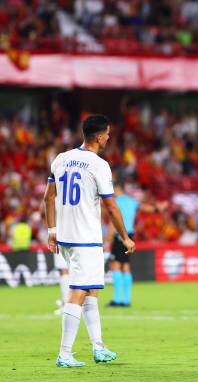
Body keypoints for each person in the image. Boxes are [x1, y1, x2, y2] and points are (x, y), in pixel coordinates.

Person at [43, 114, 135, 368]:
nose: (109, 137)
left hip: (66, 237)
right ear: (98, 136)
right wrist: (125, 237)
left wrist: (52, 230)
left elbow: (48, 198)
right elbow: (111, 206)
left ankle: (98, 346)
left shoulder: (61, 159)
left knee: (91, 288)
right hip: (86, 238)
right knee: (79, 292)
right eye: (107, 133)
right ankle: (64, 353)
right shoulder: (98, 165)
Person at [106, 183, 154, 307]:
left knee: (116, 265)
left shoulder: (115, 202)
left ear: (116, 189)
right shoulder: (131, 201)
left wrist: (108, 239)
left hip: (120, 236)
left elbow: (114, 219)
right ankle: (126, 300)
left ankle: (117, 299)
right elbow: (144, 208)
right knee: (126, 266)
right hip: (130, 236)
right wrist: (157, 208)